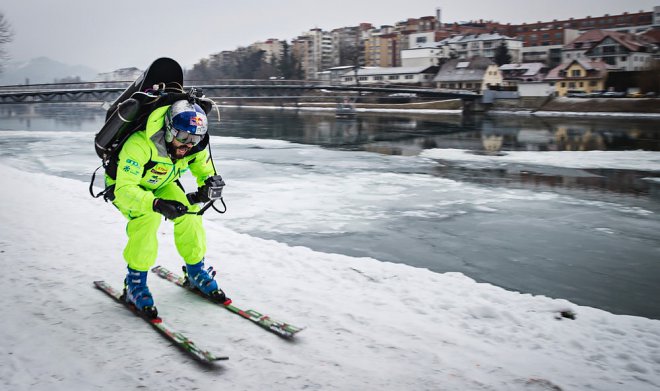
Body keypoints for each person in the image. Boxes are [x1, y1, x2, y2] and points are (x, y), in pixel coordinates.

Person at [106, 99, 227, 317]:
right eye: (183, 137)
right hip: (124, 187)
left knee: (190, 213)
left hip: (161, 183)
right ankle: (135, 282)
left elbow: (205, 170)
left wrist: (209, 185)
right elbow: (124, 189)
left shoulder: (193, 146)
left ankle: (195, 271)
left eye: (195, 138)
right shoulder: (140, 144)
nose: (188, 144)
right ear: (170, 131)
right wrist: (156, 204)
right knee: (148, 218)